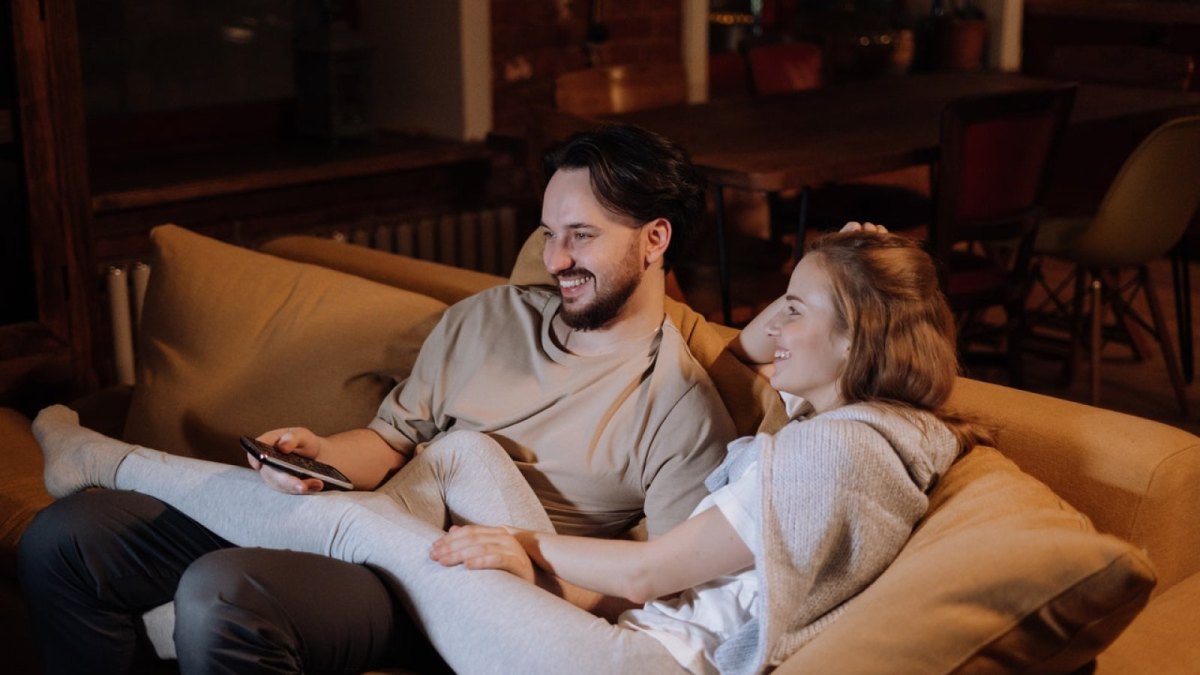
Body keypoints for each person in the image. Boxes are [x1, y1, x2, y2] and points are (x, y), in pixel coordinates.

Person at [27, 230, 984, 674]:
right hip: (625, 627)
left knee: (368, 531)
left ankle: (109, 463)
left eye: (797, 307)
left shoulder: (844, 452)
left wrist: (522, 552)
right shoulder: (835, 429)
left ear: (854, 345)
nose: (771, 324)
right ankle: (301, 518)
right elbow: (751, 358)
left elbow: (656, 567)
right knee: (465, 449)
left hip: (631, 664)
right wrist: (842, 263)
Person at [18, 124, 738, 675]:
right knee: (70, 535)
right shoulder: (487, 320)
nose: (555, 260)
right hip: (366, 514)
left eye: (580, 236)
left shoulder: (680, 409)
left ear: (654, 239)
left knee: (225, 590)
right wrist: (321, 454)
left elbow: (667, 588)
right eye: (550, 234)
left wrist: (541, 578)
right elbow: (390, 442)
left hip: (453, 587)